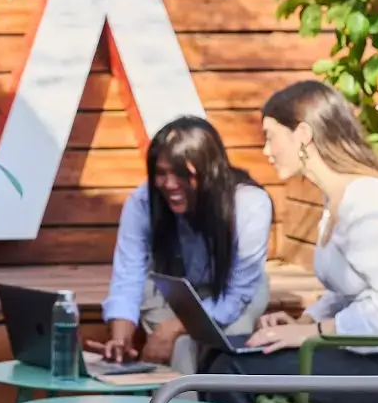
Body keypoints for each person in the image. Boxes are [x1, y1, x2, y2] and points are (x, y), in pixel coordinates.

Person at [205, 80, 378, 403]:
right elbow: (348, 293)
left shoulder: (371, 202)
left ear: (302, 134)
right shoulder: (337, 199)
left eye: (270, 136)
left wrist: (310, 333)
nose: (266, 150)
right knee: (222, 358)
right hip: (375, 357)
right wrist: (304, 321)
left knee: (230, 372)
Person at [88, 116, 273, 373]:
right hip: (175, 288)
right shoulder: (143, 201)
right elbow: (128, 276)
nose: (170, 184)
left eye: (183, 174)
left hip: (232, 293)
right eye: (161, 173)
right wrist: (120, 339)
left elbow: (234, 297)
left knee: (223, 355)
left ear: (211, 171)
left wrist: (171, 328)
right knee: (181, 349)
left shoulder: (249, 204)